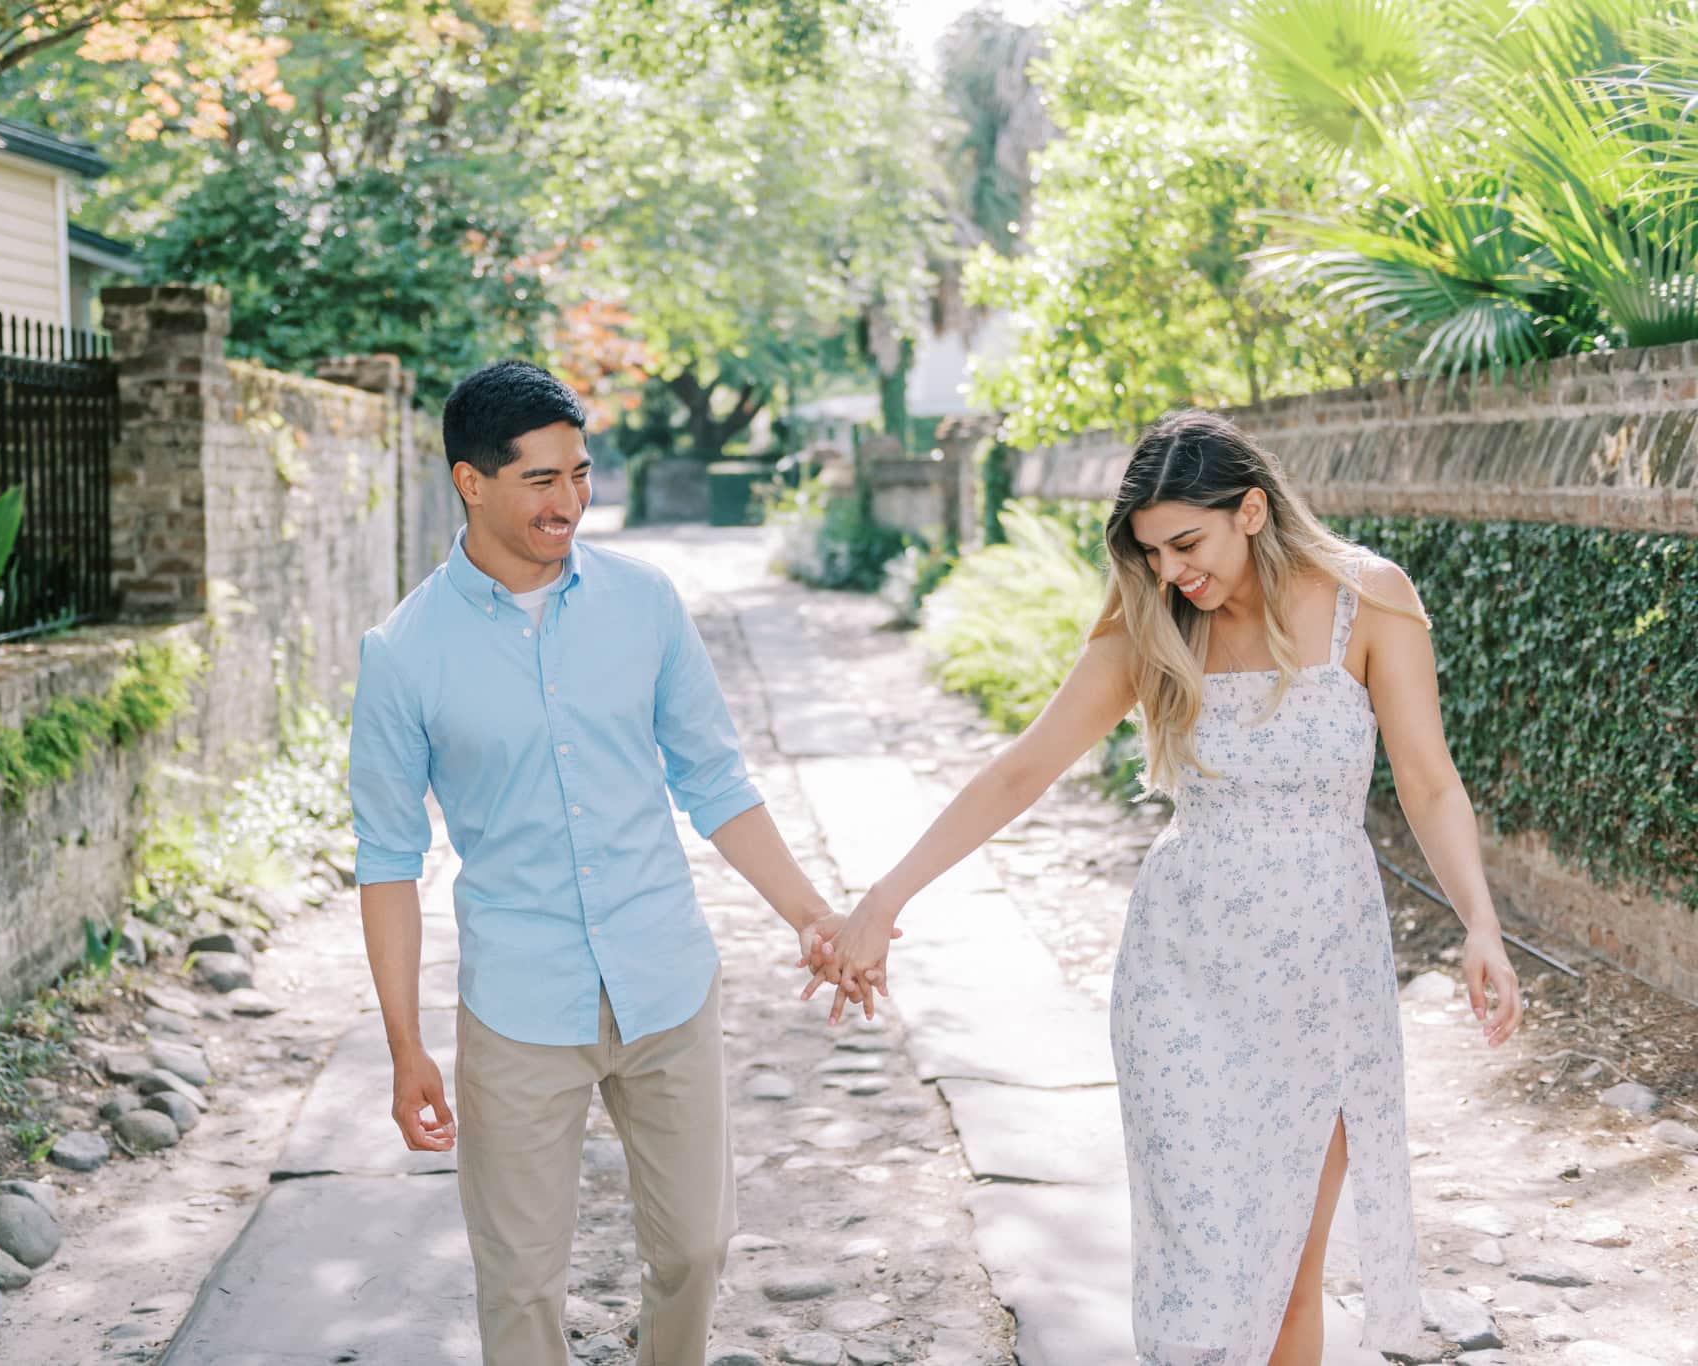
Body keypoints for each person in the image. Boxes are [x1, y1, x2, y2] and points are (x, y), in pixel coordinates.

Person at [813, 409, 1524, 1365]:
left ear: (1255, 510)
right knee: (1198, 1260)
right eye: (1151, 552)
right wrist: (882, 901)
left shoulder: (1370, 600)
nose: (1171, 571)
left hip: (1324, 980)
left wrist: (1480, 920)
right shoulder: (1154, 626)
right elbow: (1021, 772)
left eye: (1186, 543)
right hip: (1180, 982)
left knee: (1287, 1270)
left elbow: (1430, 781)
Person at [347, 360, 868, 1366]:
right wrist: (406, 1043)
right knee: (520, 1281)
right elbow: (386, 863)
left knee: (696, 1248)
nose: (569, 500)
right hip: (518, 1004)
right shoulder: (404, 653)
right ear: (471, 480)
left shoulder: (644, 604)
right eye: (540, 479)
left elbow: (714, 780)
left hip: (663, 977)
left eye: (579, 473)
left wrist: (809, 913)